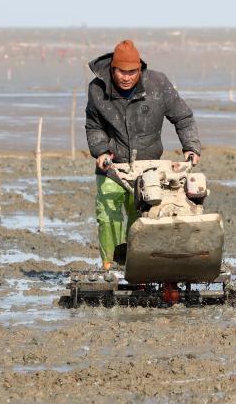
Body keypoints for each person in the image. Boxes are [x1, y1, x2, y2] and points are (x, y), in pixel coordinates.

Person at [85, 39, 200, 269]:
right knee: (107, 216)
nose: (126, 77)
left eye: (132, 72)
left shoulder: (158, 84)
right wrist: (100, 150)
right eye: (121, 72)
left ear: (140, 68)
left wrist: (191, 147)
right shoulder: (97, 89)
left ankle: (136, 266)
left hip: (148, 166)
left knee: (142, 216)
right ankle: (109, 265)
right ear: (112, 69)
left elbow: (183, 117)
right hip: (112, 166)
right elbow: (93, 125)